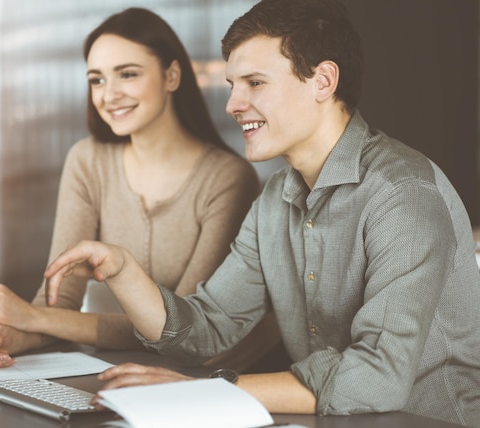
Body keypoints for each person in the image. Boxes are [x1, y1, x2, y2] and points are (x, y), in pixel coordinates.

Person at [43, 0, 480, 426]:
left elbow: (378, 377)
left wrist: (203, 391)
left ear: (323, 81)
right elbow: (207, 329)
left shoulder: (403, 195)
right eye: (233, 84)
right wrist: (123, 270)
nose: (233, 103)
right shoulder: (275, 200)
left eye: (254, 82)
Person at [0, 7, 278, 373]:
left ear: (172, 76)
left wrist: (33, 318)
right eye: (96, 80)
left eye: (127, 75)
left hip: (187, 379)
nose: (109, 94)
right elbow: (61, 299)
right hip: (108, 372)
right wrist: (12, 334)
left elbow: (184, 327)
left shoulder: (228, 178)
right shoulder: (87, 160)